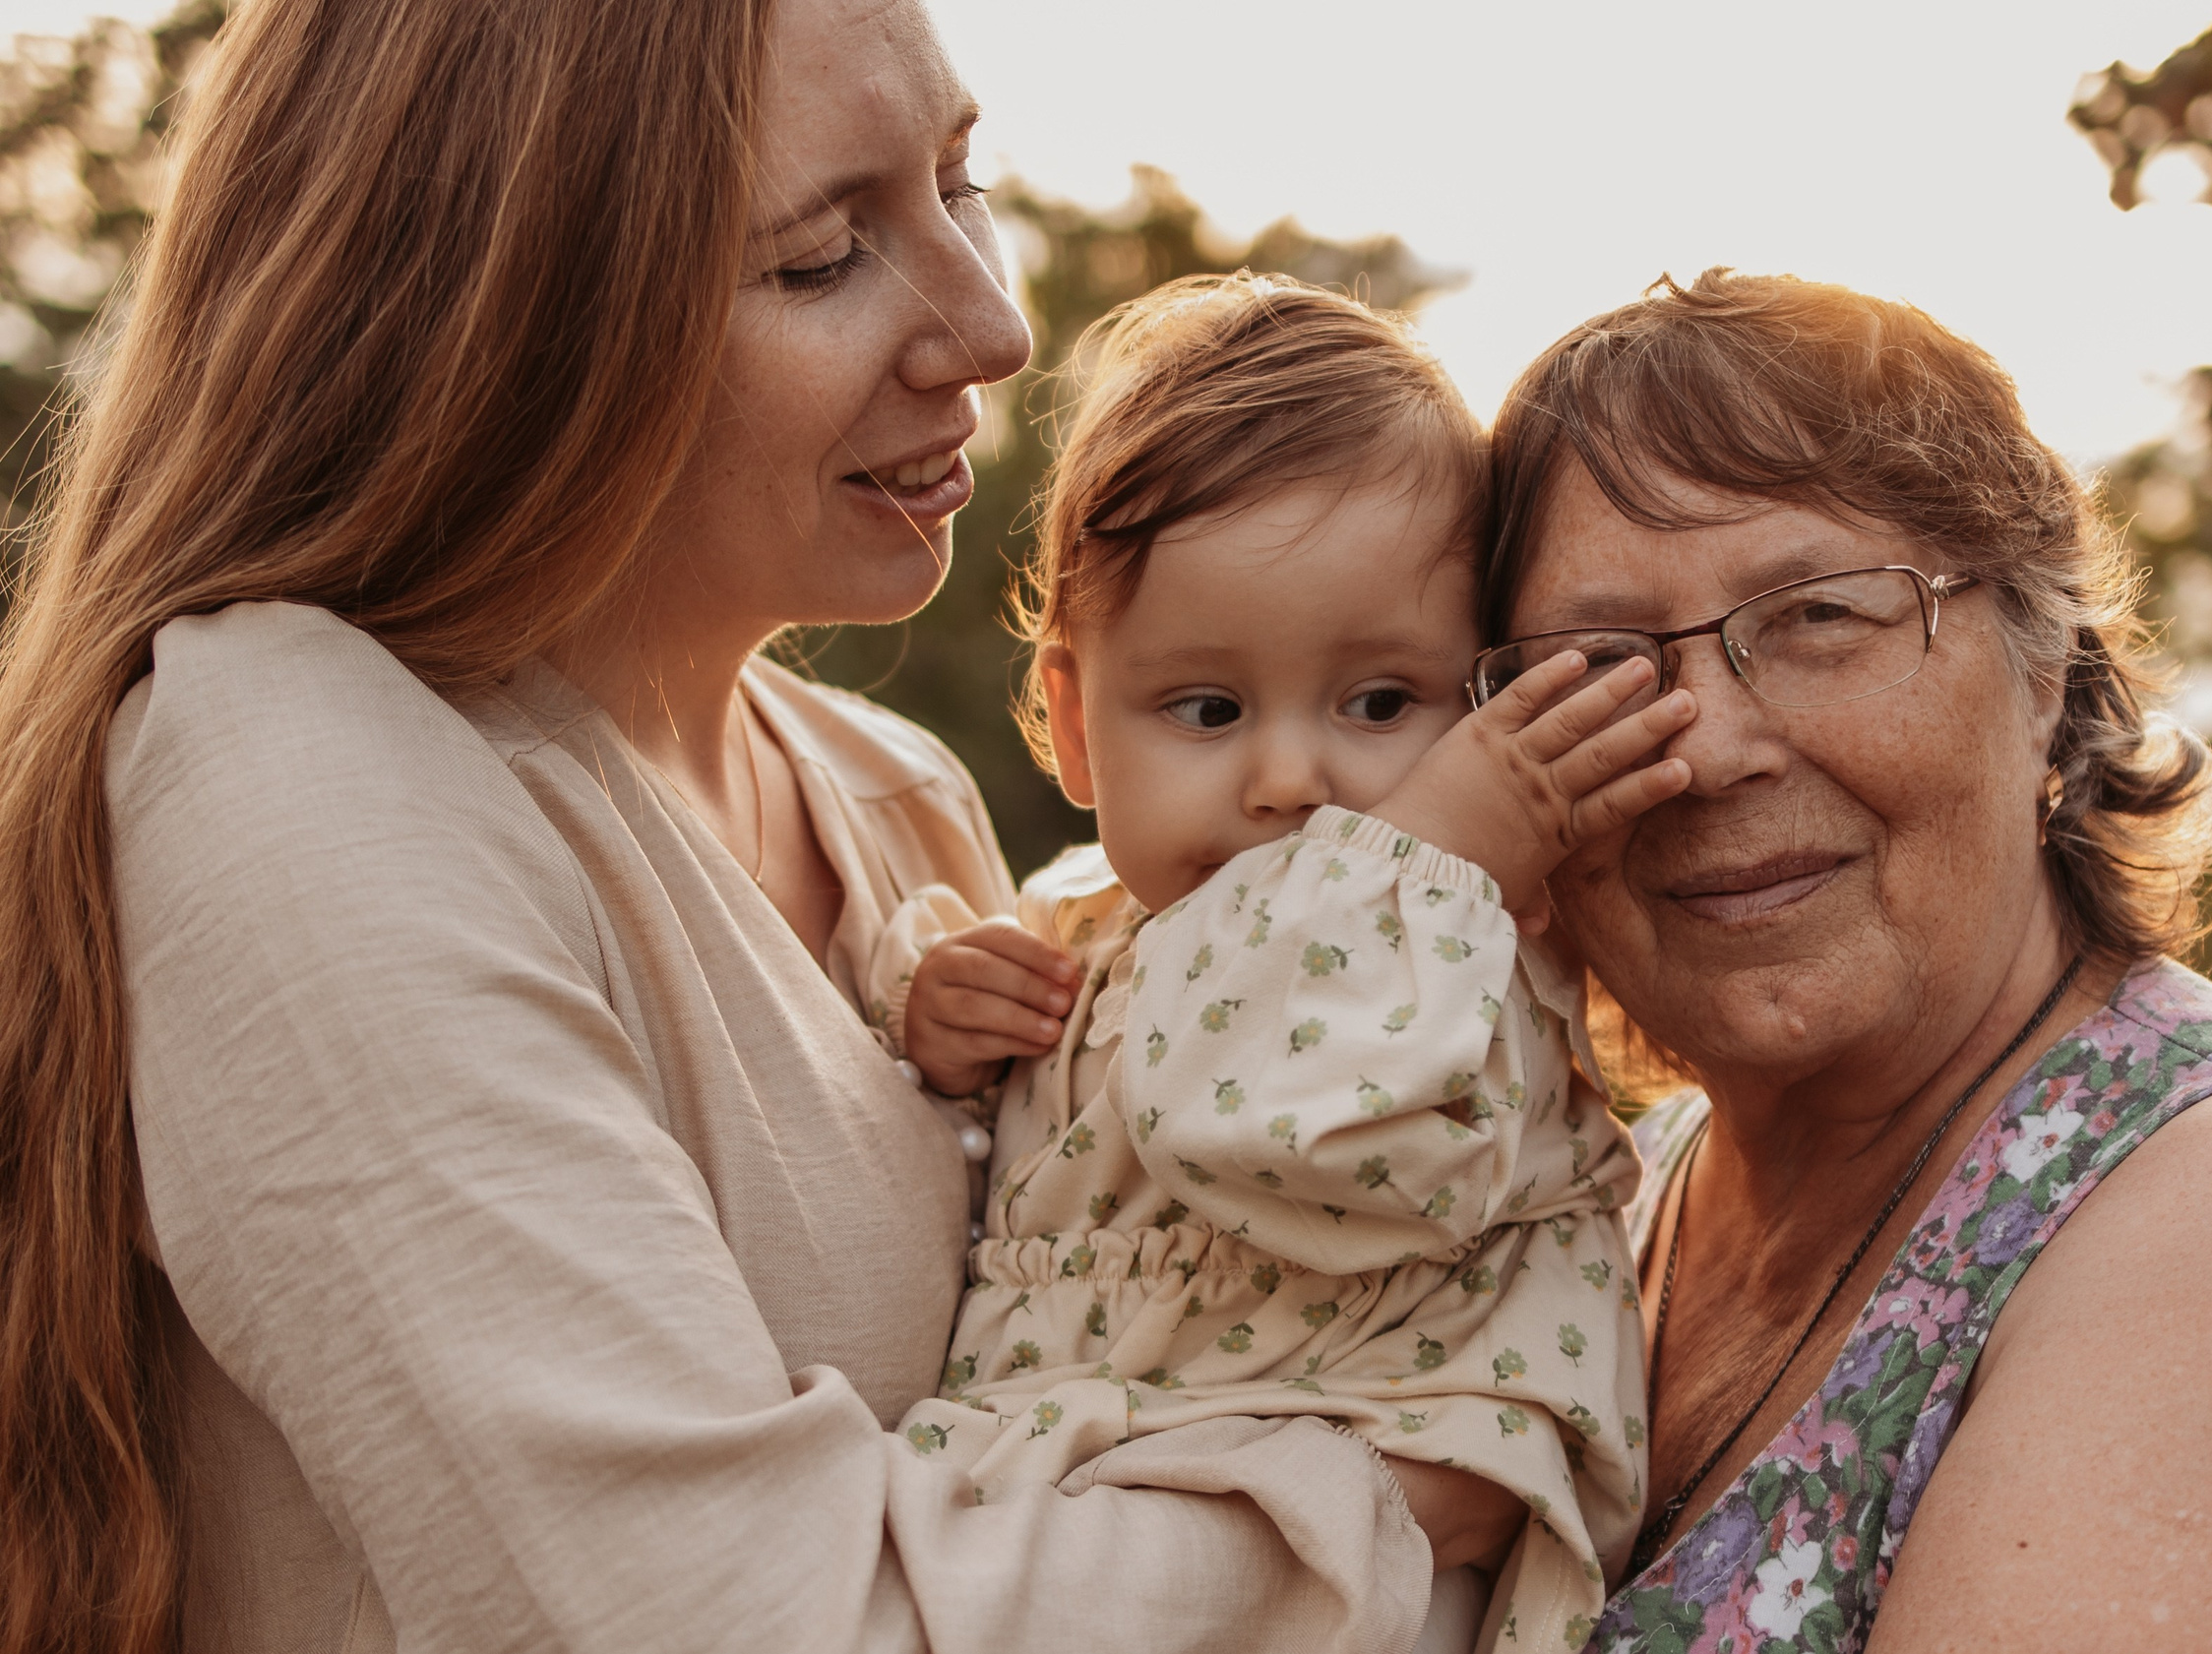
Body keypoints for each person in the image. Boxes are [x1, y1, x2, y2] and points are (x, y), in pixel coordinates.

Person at [0, 4, 1462, 1650]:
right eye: (821, 258)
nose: (991, 324)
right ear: (509, 322)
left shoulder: (890, 793)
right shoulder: (300, 775)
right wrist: (1394, 1506)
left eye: (959, 181)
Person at [1474, 270, 2212, 1652]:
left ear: (2045, 673)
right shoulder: (1610, 1205)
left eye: (1819, 615)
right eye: (1597, 663)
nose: (1709, 747)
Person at [875, 274, 1688, 1653]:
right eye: (1207, 707)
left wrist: (1439, 855)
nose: (1294, 778)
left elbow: (1261, 1112)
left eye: (1382, 702)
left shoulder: (1459, 956)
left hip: (1365, 1547)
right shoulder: (1090, 925)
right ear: (1072, 727)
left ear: (1483, 709)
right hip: (1095, 1511)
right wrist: (935, 1014)